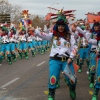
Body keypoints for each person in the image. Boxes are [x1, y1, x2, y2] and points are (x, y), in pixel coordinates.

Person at [35, 10, 78, 100]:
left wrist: (71, 57)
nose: (61, 28)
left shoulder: (70, 36)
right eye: (59, 26)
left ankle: (72, 89)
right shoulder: (53, 35)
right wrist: (33, 30)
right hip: (54, 60)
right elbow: (42, 35)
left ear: (65, 26)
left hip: (67, 60)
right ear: (56, 26)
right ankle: (51, 94)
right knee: (53, 78)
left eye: (62, 26)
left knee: (72, 80)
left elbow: (75, 47)